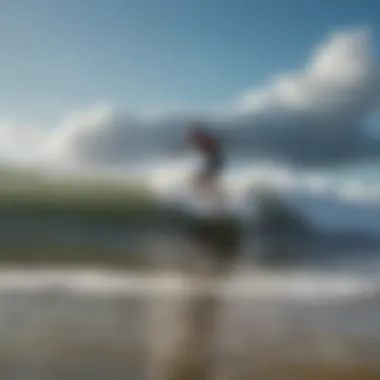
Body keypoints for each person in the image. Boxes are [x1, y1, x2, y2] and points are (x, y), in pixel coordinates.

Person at [176, 122, 226, 210]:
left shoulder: (204, 138)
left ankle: (216, 203)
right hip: (213, 162)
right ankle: (213, 201)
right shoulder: (199, 139)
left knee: (201, 181)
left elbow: (216, 149)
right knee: (201, 181)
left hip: (215, 162)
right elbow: (186, 147)